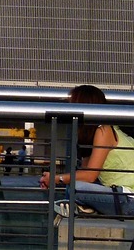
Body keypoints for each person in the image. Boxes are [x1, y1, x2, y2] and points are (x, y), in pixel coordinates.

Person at [41, 84, 134, 216]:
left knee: (75, 188)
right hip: (121, 196)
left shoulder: (104, 131)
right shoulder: (98, 132)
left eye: (72, 104)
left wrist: (56, 179)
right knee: (74, 186)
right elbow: (84, 173)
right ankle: (84, 207)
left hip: (128, 199)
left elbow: (90, 176)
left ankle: (83, 207)